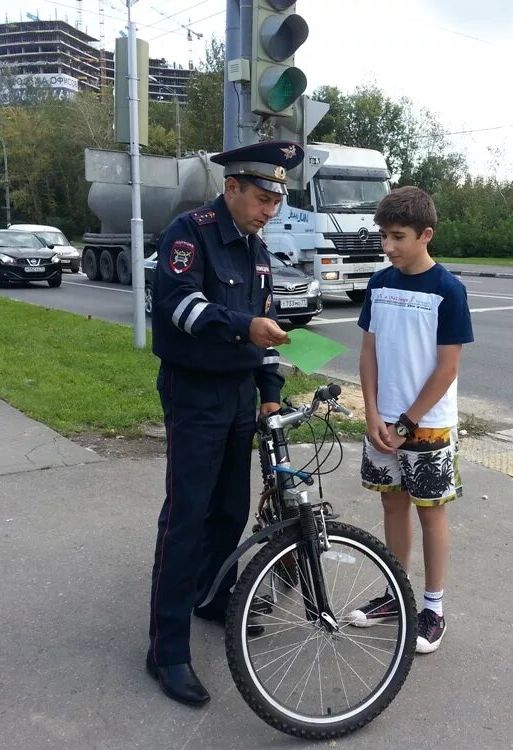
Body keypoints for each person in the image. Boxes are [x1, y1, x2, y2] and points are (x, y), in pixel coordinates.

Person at [145, 141, 303, 707]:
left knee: (231, 510)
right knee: (186, 517)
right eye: (262, 198)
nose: (270, 210)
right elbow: (178, 308)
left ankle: (211, 597)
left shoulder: (257, 250)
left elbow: (268, 332)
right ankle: (165, 650)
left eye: (276, 200)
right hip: (194, 394)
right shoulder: (190, 233)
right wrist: (245, 326)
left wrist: (268, 395)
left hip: (238, 398)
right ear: (232, 187)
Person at [349, 186, 474, 655]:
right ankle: (395, 593)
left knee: (431, 512)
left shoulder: (448, 290)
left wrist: (407, 422)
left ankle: (433, 609)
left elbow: (447, 368)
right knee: (392, 506)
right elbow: (368, 353)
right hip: (384, 422)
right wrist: (372, 413)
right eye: (383, 235)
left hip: (428, 425)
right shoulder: (380, 284)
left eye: (397, 236)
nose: (388, 246)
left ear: (426, 235)